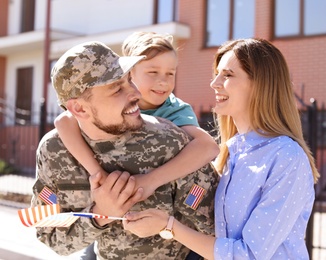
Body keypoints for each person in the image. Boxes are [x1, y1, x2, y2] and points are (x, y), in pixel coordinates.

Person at [122, 38, 320, 260]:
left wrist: (168, 226)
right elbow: (201, 210)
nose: (214, 83)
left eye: (227, 75)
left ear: (260, 84)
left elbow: (248, 255)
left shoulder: (286, 158)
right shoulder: (230, 152)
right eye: (217, 73)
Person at [31, 41, 218, 259]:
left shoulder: (170, 143)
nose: (136, 93)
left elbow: (215, 232)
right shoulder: (52, 152)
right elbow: (48, 234)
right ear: (79, 108)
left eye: (129, 80)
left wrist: (167, 225)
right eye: (117, 89)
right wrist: (100, 216)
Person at [54, 32, 219, 201]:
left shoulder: (175, 110)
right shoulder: (117, 104)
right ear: (129, 73)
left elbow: (208, 147)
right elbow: (63, 121)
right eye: (153, 72)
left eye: (171, 73)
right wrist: (97, 172)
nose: (163, 81)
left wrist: (151, 180)